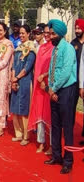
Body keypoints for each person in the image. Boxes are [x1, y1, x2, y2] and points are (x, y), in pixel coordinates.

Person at [44, 19, 76, 174]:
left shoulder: (68, 48)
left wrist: (54, 88)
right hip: (55, 90)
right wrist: (51, 88)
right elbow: (52, 70)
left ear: (61, 34)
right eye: (50, 33)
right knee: (55, 125)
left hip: (66, 91)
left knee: (67, 127)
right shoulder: (55, 49)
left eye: (53, 34)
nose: (50, 36)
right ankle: (57, 156)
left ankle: (68, 161)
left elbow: (65, 71)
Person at [28, 23, 54, 154]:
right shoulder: (41, 48)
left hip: (50, 86)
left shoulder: (55, 48)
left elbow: (54, 68)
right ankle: (41, 142)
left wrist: (45, 78)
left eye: (49, 33)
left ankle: (51, 145)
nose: (46, 35)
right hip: (39, 85)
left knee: (50, 115)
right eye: (45, 32)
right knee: (40, 114)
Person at [10, 24, 36, 146]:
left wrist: (17, 77)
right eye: (20, 33)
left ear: (29, 34)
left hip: (25, 81)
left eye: (23, 33)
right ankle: (18, 133)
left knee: (24, 108)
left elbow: (27, 67)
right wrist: (13, 79)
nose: (21, 35)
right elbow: (14, 66)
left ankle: (26, 135)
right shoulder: (18, 48)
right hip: (15, 80)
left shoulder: (31, 48)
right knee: (15, 107)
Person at [71, 19, 84, 127]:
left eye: (79, 28)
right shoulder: (73, 43)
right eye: (76, 28)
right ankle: (69, 129)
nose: (77, 30)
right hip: (74, 80)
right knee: (71, 106)